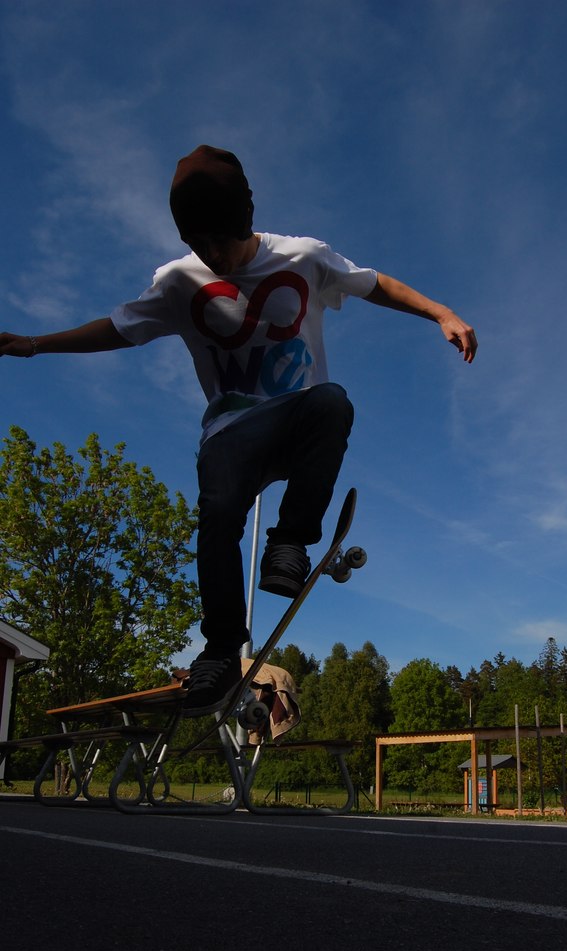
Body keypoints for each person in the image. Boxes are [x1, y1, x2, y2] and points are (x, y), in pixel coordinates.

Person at [0, 145, 477, 716]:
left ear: (244, 223)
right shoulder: (179, 281)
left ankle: (290, 540)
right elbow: (117, 328)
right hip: (230, 430)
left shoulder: (303, 257)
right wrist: (34, 344)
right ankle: (221, 649)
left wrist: (442, 312)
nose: (213, 255)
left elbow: (375, 285)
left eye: (221, 242)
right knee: (218, 515)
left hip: (295, 421)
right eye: (199, 245)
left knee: (331, 402)